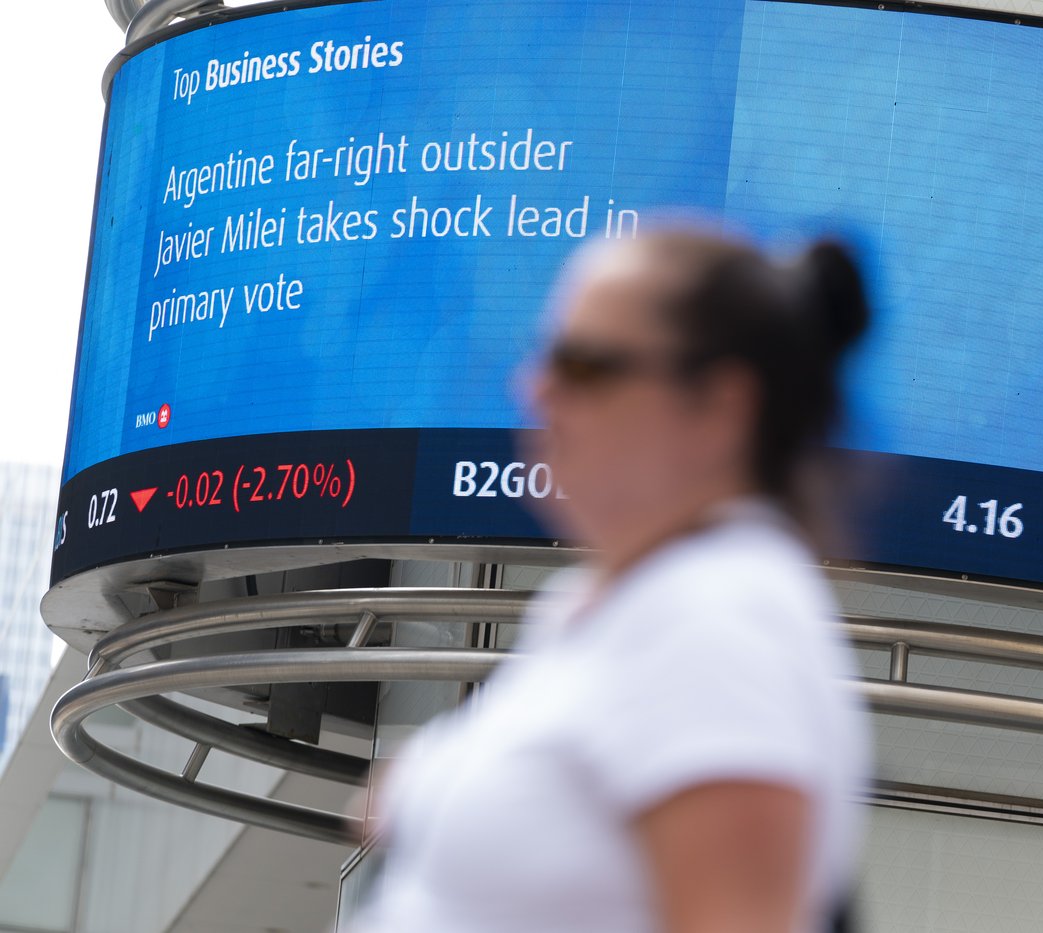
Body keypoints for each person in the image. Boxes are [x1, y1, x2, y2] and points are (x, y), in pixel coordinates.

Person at [348, 228, 872, 933]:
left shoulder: (722, 624)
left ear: (720, 406)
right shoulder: (599, 608)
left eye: (586, 365)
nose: (534, 387)